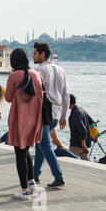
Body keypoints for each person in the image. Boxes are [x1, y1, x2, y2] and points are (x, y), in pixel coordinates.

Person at [5, 48, 44, 200]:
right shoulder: (37, 74)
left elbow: (8, 98)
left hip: (19, 118)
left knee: (19, 154)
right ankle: (31, 181)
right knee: (26, 150)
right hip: (35, 118)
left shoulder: (14, 75)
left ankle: (24, 190)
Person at [32, 42, 68, 188]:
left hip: (43, 112)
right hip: (56, 112)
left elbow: (36, 94)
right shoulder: (60, 70)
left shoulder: (39, 70)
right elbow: (65, 95)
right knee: (40, 144)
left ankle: (58, 176)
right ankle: (35, 174)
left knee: (45, 144)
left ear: (42, 54)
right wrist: (64, 116)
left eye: (34, 53)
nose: (33, 56)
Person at [0, 128, 78, 159]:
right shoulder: (52, 126)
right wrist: (65, 147)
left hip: (42, 150)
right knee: (75, 158)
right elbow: (56, 141)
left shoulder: (37, 123)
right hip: (54, 149)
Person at [68, 94, 96, 161]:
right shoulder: (81, 110)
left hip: (77, 144)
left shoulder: (75, 113)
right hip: (84, 143)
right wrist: (93, 136)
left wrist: (83, 145)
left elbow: (83, 130)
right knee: (86, 162)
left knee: (69, 161)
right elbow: (93, 123)